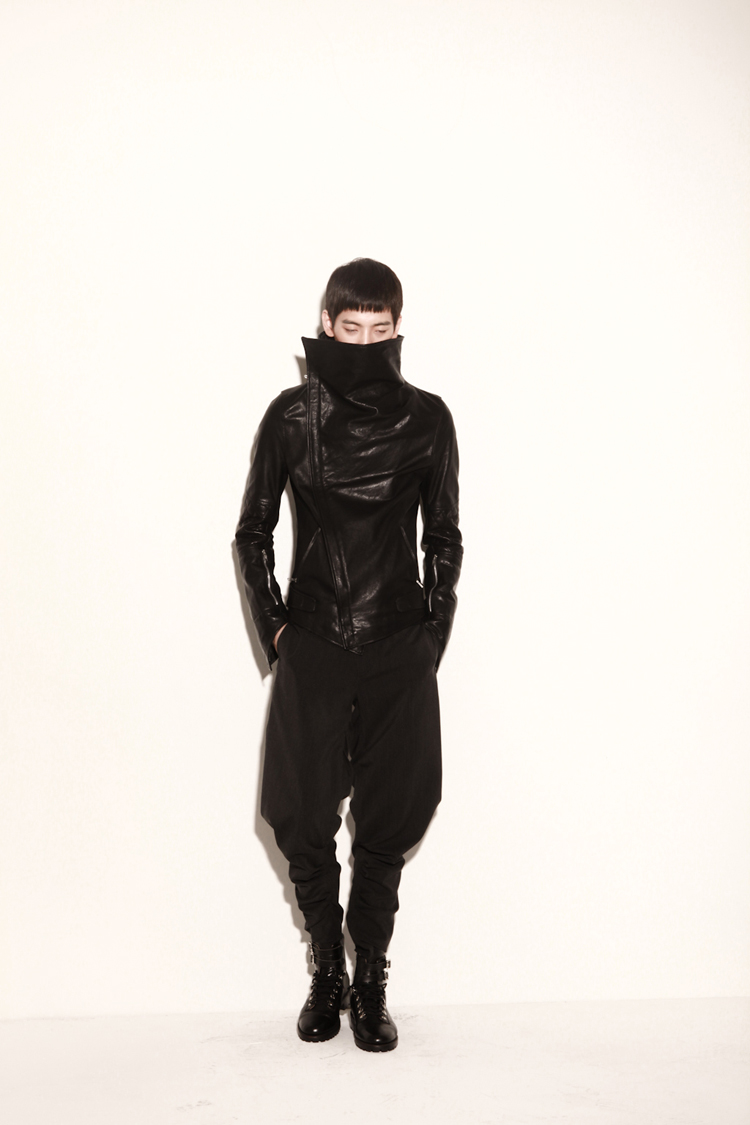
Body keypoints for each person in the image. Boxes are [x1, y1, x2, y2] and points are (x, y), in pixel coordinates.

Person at [235, 258, 462, 1052]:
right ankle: (326, 966)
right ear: (326, 325)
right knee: (300, 814)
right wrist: (277, 630)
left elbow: (444, 538)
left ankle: (371, 979)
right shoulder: (291, 417)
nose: (363, 342)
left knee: (391, 815)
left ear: (397, 330)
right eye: (350, 327)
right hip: (315, 641)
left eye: (379, 329)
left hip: (399, 644)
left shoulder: (429, 419)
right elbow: (253, 532)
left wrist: (432, 637)